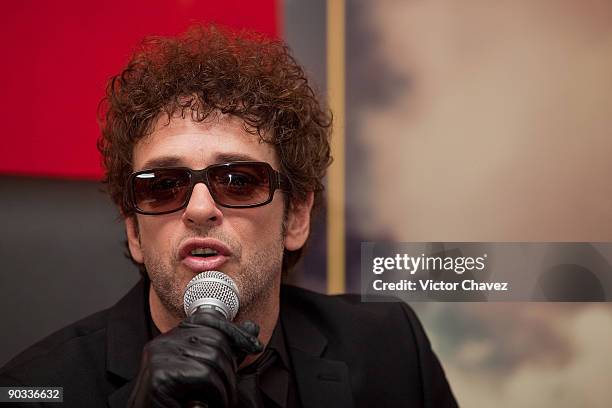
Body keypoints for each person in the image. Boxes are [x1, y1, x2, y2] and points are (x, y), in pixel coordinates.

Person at [0, 25, 457, 407]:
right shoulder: (34, 387)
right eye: (163, 187)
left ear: (295, 216)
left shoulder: (391, 350)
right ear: (134, 229)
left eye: (239, 181)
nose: (200, 209)